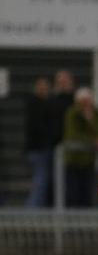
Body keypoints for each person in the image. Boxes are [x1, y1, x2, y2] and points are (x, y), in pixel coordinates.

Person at [63, 87, 98, 207]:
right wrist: (93, 140)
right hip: (73, 160)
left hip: (89, 160)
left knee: (87, 193)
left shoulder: (97, 114)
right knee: (72, 194)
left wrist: (91, 120)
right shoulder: (72, 113)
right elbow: (73, 134)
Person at [24, 77, 54, 208]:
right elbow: (37, 128)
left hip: (40, 149)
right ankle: (32, 210)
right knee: (40, 181)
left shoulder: (39, 104)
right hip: (38, 149)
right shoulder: (35, 105)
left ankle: (37, 208)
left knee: (42, 180)